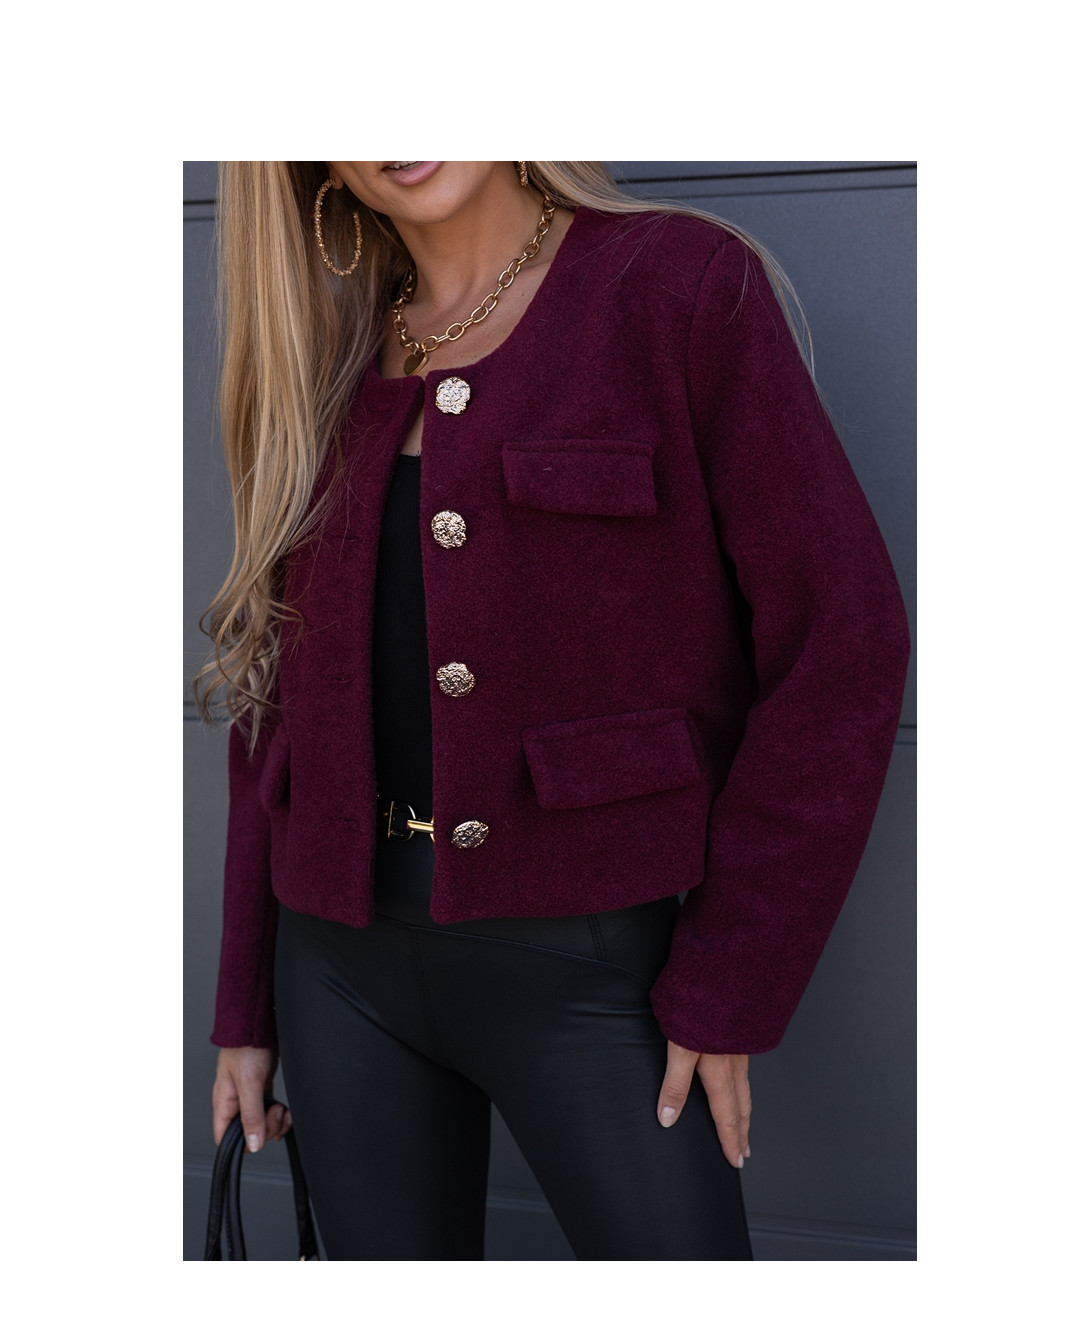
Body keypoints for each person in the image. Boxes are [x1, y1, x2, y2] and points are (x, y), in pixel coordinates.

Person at [196, 161, 910, 1261]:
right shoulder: (325, 348)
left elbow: (843, 646)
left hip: (597, 978)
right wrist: (245, 1007)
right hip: (336, 974)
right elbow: (275, 702)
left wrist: (729, 983)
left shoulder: (675, 287)